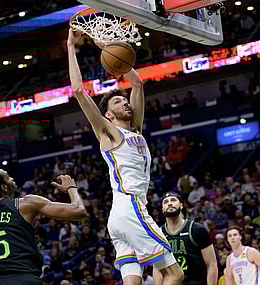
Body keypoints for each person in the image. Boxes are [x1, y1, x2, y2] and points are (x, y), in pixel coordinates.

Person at [67, 28, 183, 285]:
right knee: (175, 274)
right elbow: (78, 91)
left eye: (124, 100)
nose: (125, 103)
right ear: (108, 114)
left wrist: (105, 46)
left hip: (119, 216)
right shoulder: (108, 133)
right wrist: (70, 46)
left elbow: (138, 83)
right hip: (130, 208)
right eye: (118, 102)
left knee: (133, 281)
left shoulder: (136, 130)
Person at [0, 143, 87, 285]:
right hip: (25, 279)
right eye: (8, 177)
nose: (12, 179)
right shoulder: (25, 204)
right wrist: (71, 188)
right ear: (3, 187)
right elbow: (79, 211)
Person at [153, 192, 218, 285]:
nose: (170, 203)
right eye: (166, 202)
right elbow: (157, 269)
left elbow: (211, 264)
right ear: (162, 209)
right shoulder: (158, 234)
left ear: (181, 205)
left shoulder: (197, 230)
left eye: (173, 200)